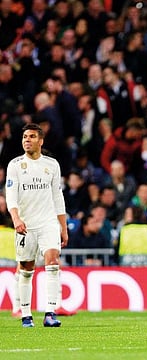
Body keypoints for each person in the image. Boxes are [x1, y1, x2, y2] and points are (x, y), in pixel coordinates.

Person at [5, 123, 68, 327]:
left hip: (48, 222)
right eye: (25, 137)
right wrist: (16, 219)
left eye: (31, 136)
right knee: (26, 268)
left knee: (52, 260)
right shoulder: (15, 165)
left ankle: (50, 313)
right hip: (26, 224)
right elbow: (11, 197)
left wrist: (63, 227)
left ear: (40, 141)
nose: (27, 140)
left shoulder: (52, 165)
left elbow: (57, 197)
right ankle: (26, 315)